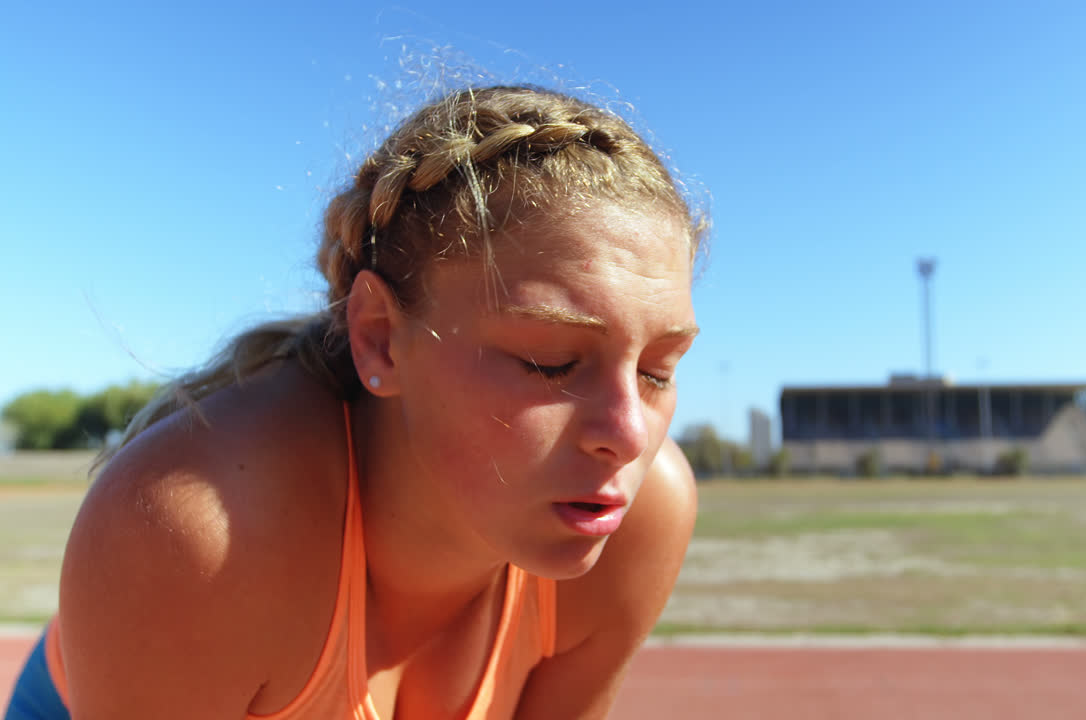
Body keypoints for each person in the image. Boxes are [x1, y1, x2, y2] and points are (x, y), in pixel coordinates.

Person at [5, 84, 702, 720]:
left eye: (658, 372)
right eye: (550, 362)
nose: (628, 434)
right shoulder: (198, 536)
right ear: (379, 339)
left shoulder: (644, 517)